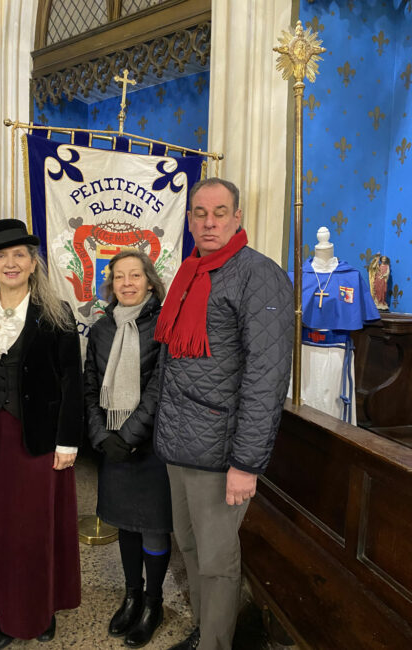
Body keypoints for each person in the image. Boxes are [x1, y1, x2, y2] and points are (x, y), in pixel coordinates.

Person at [153, 178, 294, 650]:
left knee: (215, 559)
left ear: (237, 217)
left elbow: (267, 376)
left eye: (219, 212)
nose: (209, 222)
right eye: (199, 213)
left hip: (221, 451)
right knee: (189, 546)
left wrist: (246, 463)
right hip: (179, 442)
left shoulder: (260, 274)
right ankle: (205, 630)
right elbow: (173, 360)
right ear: (190, 218)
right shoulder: (192, 270)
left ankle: (215, 643)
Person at [0, 218, 83, 649]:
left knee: (35, 531)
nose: (10, 263)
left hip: (38, 443)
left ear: (32, 263)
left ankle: (41, 610)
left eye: (19, 254)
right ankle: (4, 616)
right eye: (0, 256)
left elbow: (71, 384)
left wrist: (67, 441)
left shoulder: (57, 316)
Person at [84, 249, 172, 648]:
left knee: (152, 525)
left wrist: (129, 436)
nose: (127, 283)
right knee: (124, 523)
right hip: (112, 443)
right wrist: (103, 437)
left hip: (150, 443)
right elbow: (89, 387)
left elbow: (161, 387)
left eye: (135, 275)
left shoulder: (164, 324)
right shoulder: (101, 329)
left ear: (150, 282)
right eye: (119, 277)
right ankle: (131, 595)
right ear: (111, 284)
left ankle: (154, 603)